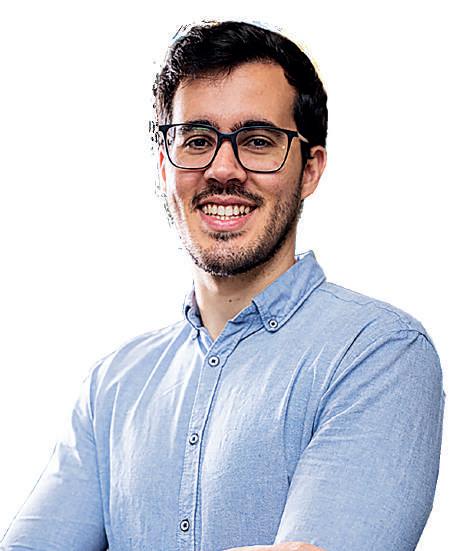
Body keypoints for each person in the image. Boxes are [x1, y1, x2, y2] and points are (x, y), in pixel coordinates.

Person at [1, 19, 445, 551]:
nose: (223, 169)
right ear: (164, 167)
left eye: (257, 141)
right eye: (197, 140)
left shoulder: (378, 353)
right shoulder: (112, 387)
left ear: (310, 169)